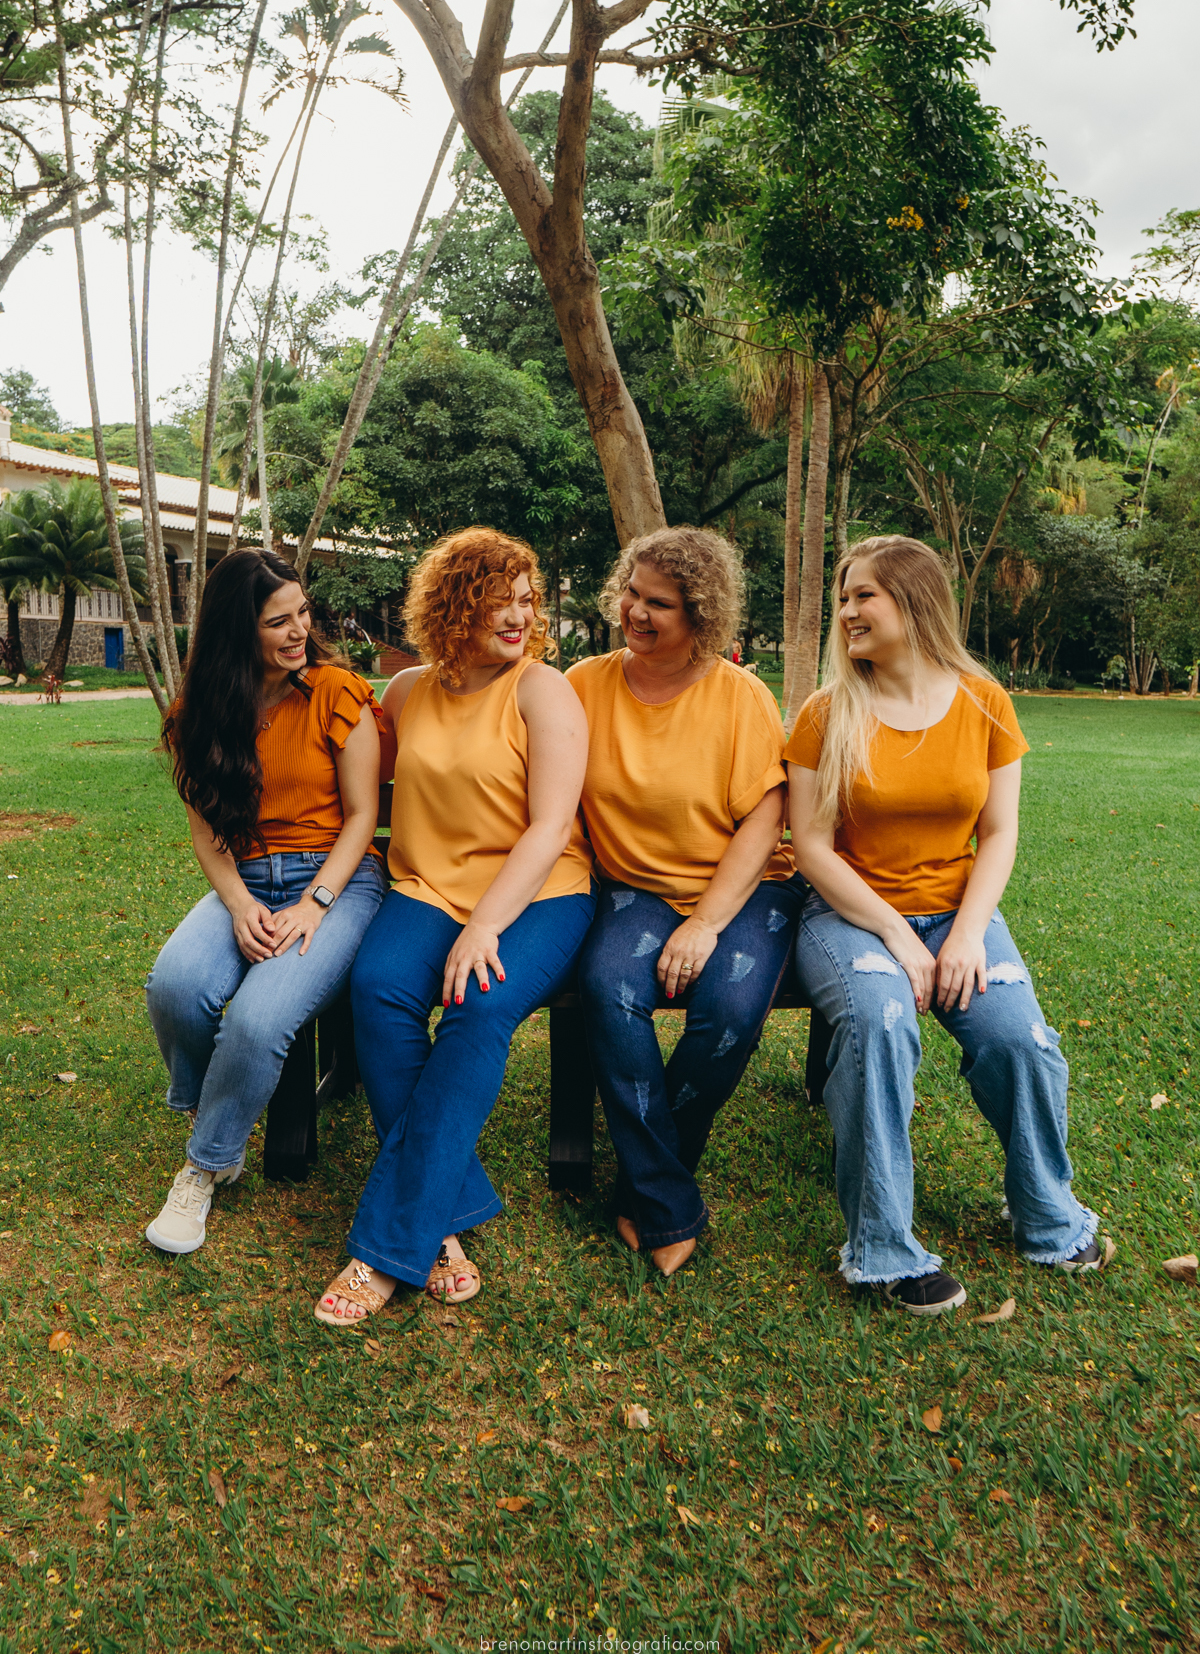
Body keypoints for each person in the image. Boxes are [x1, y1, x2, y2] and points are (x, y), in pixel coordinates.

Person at [787, 535, 1106, 1316]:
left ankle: (1046, 1212)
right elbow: (813, 849)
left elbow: (997, 834)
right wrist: (898, 937)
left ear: (915, 602)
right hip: (852, 916)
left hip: (958, 913)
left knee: (1018, 1039)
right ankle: (883, 1249)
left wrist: (965, 935)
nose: (848, 609)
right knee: (884, 1020)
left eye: (865, 594)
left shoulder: (982, 699)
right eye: (845, 595)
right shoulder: (826, 713)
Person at [314, 528, 595, 1325]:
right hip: (430, 887)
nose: (517, 615)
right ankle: (445, 1209)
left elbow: (549, 827)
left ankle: (388, 1248)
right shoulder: (407, 691)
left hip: (539, 895)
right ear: (453, 605)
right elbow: (353, 766)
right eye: (496, 598)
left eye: (527, 598)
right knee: (378, 990)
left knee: (479, 1008)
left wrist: (486, 929)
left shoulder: (543, 691)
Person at [568, 527, 806, 1277]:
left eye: (659, 604)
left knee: (731, 1014)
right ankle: (666, 1199)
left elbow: (765, 819)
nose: (635, 612)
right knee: (608, 991)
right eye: (631, 593)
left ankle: (646, 1178)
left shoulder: (738, 696)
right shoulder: (583, 685)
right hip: (633, 888)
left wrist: (705, 923)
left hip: (743, 890)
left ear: (700, 616)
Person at [145, 550, 387, 1254]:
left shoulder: (337, 693)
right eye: (278, 621)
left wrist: (315, 903)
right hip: (245, 879)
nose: (298, 633)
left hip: (337, 881)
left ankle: (204, 1165)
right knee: (176, 987)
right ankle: (218, 1107)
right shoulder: (199, 714)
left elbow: (363, 815)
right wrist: (240, 901)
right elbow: (206, 834)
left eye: (302, 615)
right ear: (234, 631)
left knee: (256, 1022)